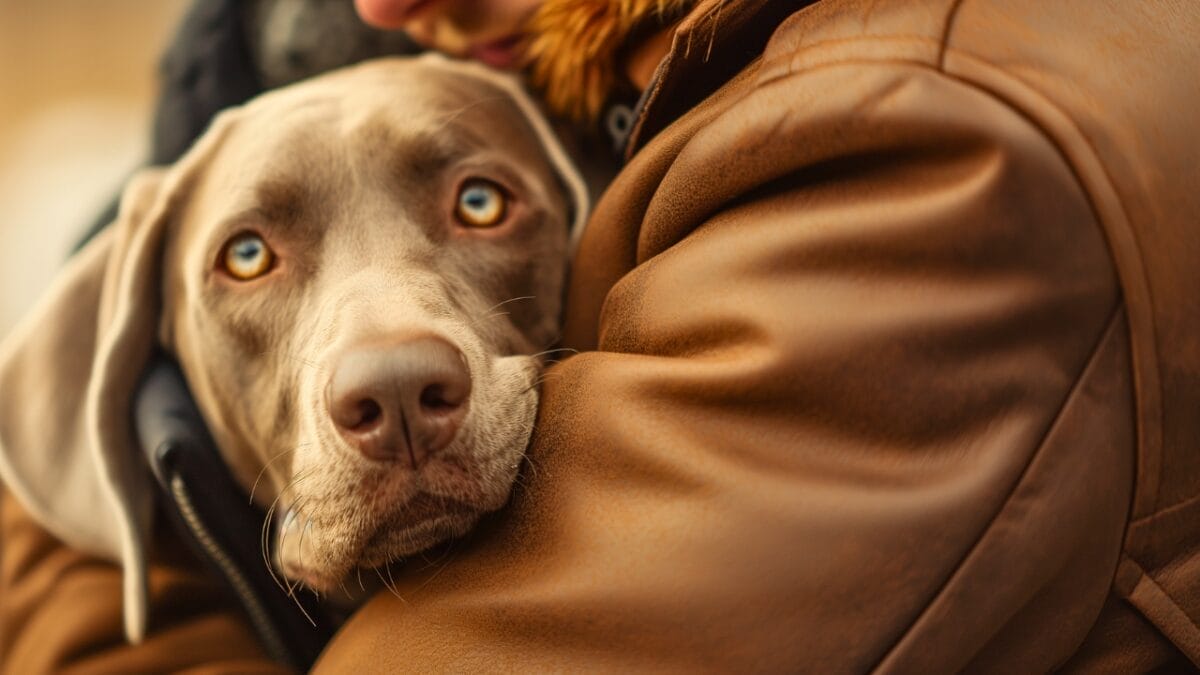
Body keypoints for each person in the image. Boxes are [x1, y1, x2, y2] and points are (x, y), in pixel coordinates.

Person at [3, 0, 1199, 671]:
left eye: (482, 203)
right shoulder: (680, 84)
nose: (388, 360)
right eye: (249, 259)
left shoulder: (927, 132)